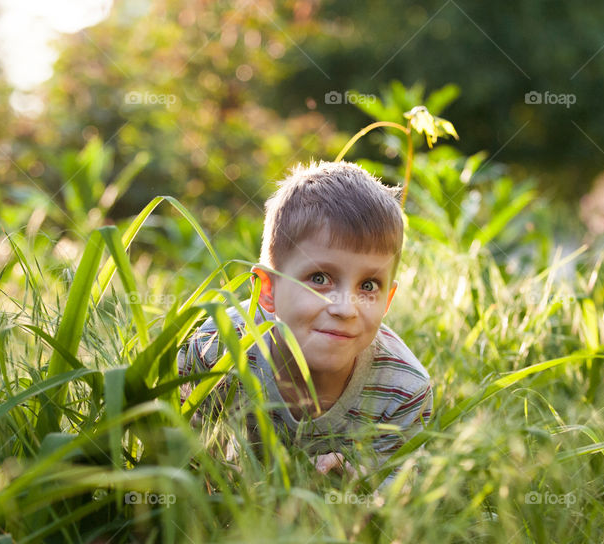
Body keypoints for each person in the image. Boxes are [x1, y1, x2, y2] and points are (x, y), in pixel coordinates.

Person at [176, 160, 433, 483]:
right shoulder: (216, 349)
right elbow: (182, 462)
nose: (345, 309)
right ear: (268, 289)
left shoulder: (402, 390)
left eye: (368, 286)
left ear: (387, 301)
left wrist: (364, 482)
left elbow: (400, 498)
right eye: (320, 277)